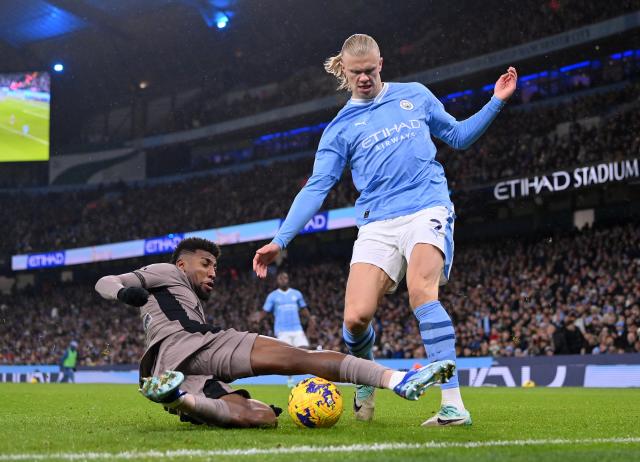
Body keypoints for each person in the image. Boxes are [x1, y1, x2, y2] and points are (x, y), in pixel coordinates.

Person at [253, 34, 517, 426]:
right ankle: (366, 378)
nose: (364, 78)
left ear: (382, 63)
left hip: (427, 206)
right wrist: (281, 239)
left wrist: (495, 101)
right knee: (356, 318)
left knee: (421, 291)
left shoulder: (415, 95)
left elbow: (459, 137)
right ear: (344, 71)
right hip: (376, 222)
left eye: (370, 70)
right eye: (356, 72)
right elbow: (317, 187)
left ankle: (453, 405)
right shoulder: (339, 128)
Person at [95, 237, 454, 428]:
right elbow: (104, 281)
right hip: (187, 347)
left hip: (189, 359)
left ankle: (179, 400)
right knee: (301, 359)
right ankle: (395, 380)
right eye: (205, 264)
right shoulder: (164, 272)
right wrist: (125, 292)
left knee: (264, 415)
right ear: (181, 263)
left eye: (215, 266)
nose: (212, 272)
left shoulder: (190, 299)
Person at [259, 271, 313, 387]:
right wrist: (258, 318)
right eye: (281, 278)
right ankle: (290, 380)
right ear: (277, 281)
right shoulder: (272, 296)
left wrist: (310, 318)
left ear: (288, 280)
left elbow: (303, 308)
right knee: (288, 355)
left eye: (285, 278)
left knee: (305, 351)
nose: (283, 280)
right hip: (282, 330)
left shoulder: (296, 294)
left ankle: (304, 378)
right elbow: (265, 311)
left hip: (297, 328)